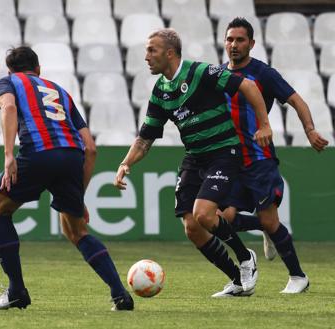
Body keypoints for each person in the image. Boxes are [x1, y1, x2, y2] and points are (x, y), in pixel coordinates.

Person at [114, 28, 273, 297]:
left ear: (170, 53)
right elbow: (145, 139)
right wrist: (125, 164)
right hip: (196, 157)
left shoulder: (200, 73)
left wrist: (265, 124)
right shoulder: (161, 91)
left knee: (203, 214)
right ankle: (236, 280)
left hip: (224, 152)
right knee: (192, 227)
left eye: (151, 50)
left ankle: (246, 258)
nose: (146, 57)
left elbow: (247, 85)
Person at [0, 46, 134, 311]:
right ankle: (120, 294)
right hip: (71, 156)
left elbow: (8, 108)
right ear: (39, 69)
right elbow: (90, 147)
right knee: (76, 230)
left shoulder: (7, 82)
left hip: (38, 153)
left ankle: (17, 290)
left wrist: (9, 155)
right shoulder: (59, 91)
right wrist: (79, 193)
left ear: (9, 70)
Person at [219, 17, 329, 294]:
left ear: (252, 44)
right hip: (230, 161)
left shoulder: (263, 74)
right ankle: (264, 231)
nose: (234, 45)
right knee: (222, 218)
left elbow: (296, 100)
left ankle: (298, 277)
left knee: (269, 219)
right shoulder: (218, 74)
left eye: (240, 40)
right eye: (230, 39)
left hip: (259, 160)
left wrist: (310, 130)